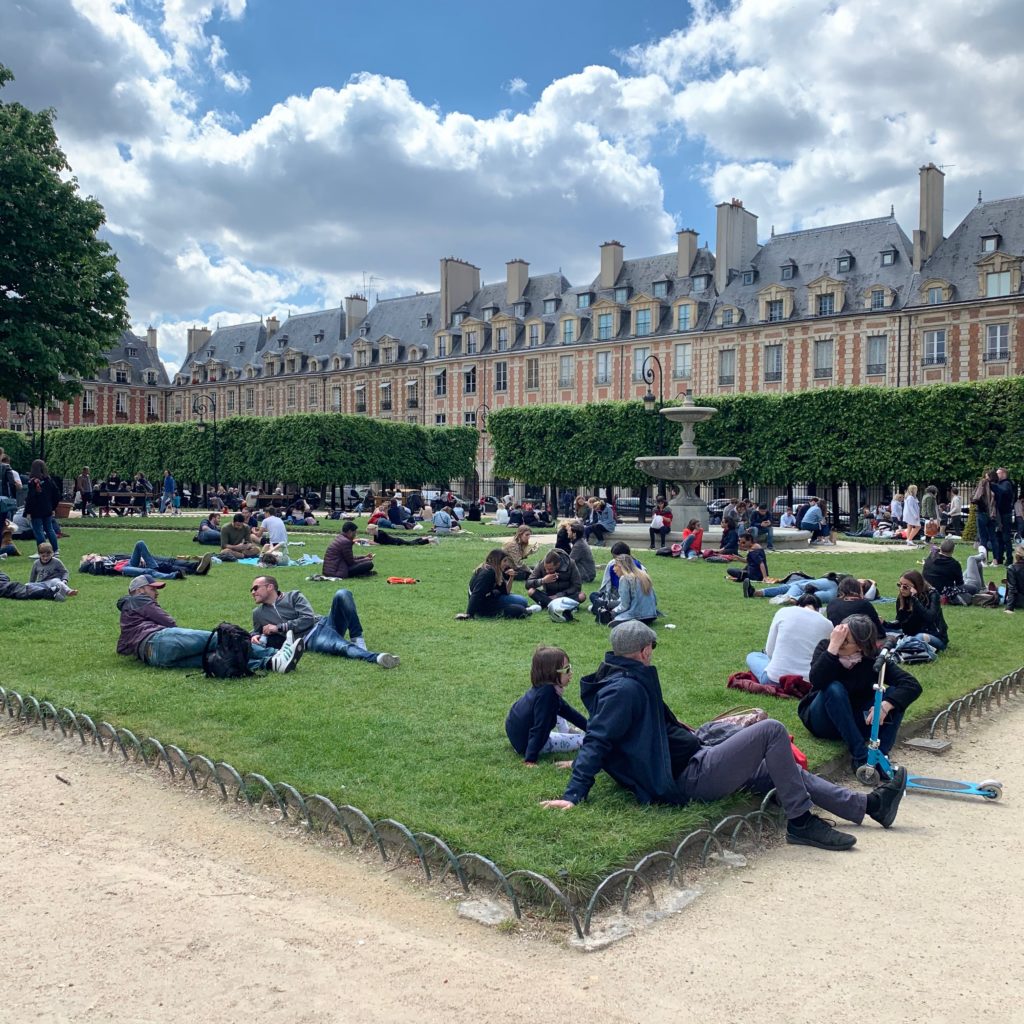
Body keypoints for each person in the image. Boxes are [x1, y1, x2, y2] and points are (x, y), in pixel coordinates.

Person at [542, 621, 907, 851]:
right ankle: (800, 822)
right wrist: (574, 792)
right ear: (644, 650)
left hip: (691, 758)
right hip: (688, 776)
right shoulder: (624, 689)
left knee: (779, 768)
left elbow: (611, 739)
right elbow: (601, 737)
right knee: (772, 732)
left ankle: (869, 807)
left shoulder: (623, 676)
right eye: (652, 647)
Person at [801, 617, 922, 773]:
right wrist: (833, 648)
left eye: (845, 641)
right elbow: (817, 681)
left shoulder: (873, 658)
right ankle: (860, 756)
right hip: (824, 719)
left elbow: (911, 685)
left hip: (858, 718)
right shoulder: (827, 647)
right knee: (833, 688)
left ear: (861, 647)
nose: (840, 642)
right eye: (839, 636)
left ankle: (880, 756)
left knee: (894, 695)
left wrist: (887, 705)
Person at [117, 575, 301, 672]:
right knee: (221, 640)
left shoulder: (127, 615)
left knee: (217, 658)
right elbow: (169, 622)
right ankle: (276, 653)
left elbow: (122, 648)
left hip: (154, 658)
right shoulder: (139, 600)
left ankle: (270, 663)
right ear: (140, 590)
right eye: (152, 589)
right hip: (160, 640)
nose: (156, 593)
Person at [250, 576, 399, 667]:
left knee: (342, 594)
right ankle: (378, 658)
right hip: (312, 638)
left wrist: (279, 627)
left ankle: (358, 638)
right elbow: (256, 631)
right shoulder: (258, 614)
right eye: (251, 590)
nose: (253, 592)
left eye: (256, 588)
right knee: (343, 648)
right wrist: (253, 636)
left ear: (270, 587)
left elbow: (307, 619)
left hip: (323, 622)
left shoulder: (293, 596)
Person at [506, 646, 587, 766]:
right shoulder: (547, 695)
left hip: (519, 735)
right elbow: (540, 727)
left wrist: (591, 728)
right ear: (551, 673)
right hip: (527, 743)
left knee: (558, 707)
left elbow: (569, 712)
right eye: (566, 670)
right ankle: (572, 735)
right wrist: (530, 759)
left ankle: (567, 730)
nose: (571, 673)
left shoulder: (545, 688)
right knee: (585, 740)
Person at [746, 592, 832, 684]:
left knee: (753, 656)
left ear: (798, 605)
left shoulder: (783, 612)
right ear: (819, 609)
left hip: (774, 679)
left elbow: (769, 651)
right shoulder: (828, 624)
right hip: (808, 681)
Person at [882, 570, 948, 650]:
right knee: (882, 630)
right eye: (899, 585)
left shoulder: (932, 594)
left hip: (934, 636)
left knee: (919, 637)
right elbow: (901, 622)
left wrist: (915, 600)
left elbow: (930, 618)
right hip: (911, 635)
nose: (901, 589)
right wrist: (884, 623)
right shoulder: (902, 598)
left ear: (916, 586)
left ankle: (905, 643)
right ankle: (905, 642)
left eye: (905, 586)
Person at [457, 549, 531, 620]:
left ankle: (525, 609)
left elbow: (506, 592)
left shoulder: (496, 571)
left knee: (522, 601)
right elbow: (476, 593)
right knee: (520, 608)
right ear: (497, 561)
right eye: (504, 561)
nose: (507, 564)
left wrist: (511, 577)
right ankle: (526, 610)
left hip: (492, 599)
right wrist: (469, 614)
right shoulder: (488, 573)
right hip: (483, 606)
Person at [609, 554, 659, 626]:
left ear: (620, 566)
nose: (613, 569)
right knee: (613, 604)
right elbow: (655, 600)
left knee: (610, 611)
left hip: (637, 615)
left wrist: (613, 611)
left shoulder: (625, 578)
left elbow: (624, 605)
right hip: (651, 615)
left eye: (615, 565)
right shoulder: (644, 575)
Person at [24, 459, 61, 554]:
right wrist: (53, 506)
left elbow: (31, 498)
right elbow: (56, 495)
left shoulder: (33, 482)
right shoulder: (49, 480)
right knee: (49, 529)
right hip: (47, 508)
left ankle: (42, 551)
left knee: (38, 530)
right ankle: (55, 549)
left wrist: (28, 511)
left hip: (36, 510)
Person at [745, 572, 843, 605]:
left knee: (796, 586)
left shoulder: (831, 581)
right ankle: (790, 599)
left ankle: (787, 598)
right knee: (814, 597)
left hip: (834, 583)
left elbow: (808, 586)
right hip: (837, 594)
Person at [993, 468, 1018, 566]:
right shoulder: (1001, 484)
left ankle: (1009, 558)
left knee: (1006, 537)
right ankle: (999, 558)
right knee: (999, 536)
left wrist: (993, 485)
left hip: (1005, 514)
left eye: (998, 473)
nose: (996, 475)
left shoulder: (1006, 484)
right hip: (1001, 514)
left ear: (1003, 474)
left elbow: (1003, 491)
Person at [971, 472, 997, 562]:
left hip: (983, 512)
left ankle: (984, 560)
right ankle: (995, 560)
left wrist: (974, 499)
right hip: (993, 514)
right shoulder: (997, 485)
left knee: (983, 538)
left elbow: (977, 497)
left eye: (986, 476)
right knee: (993, 538)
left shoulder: (984, 482)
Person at [1004, 545, 1024, 614]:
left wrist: (1009, 608)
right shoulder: (1012, 568)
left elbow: (1012, 589)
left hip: (1020, 600)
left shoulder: (1012, 568)